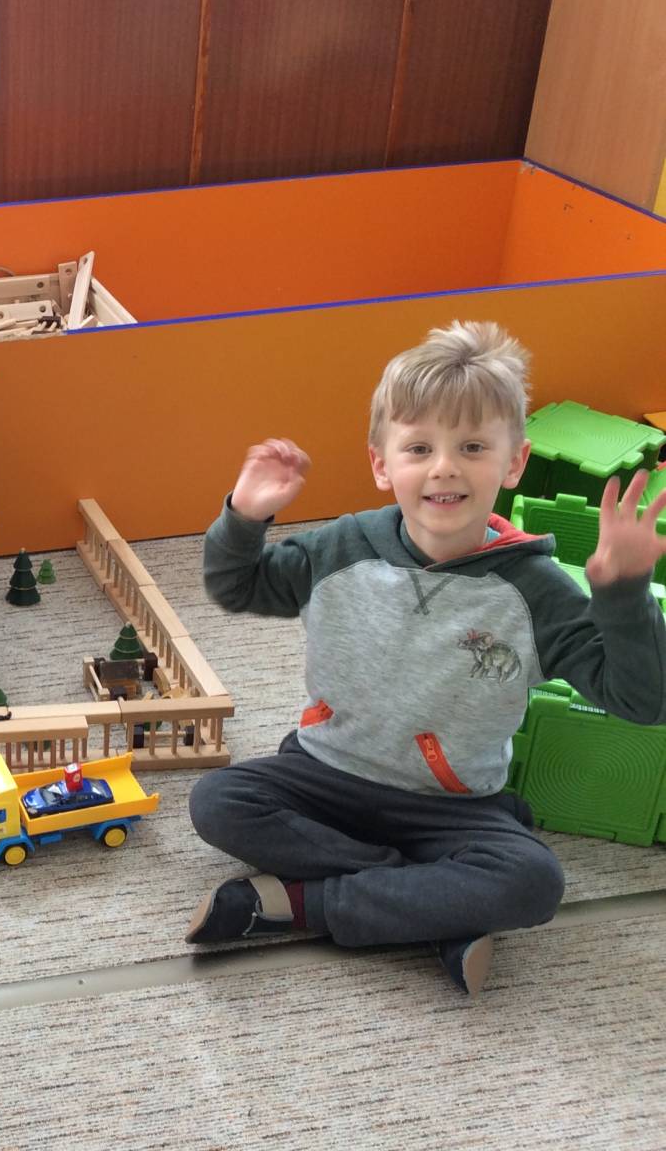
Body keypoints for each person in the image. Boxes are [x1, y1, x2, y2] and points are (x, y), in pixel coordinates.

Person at [184, 320, 666, 994]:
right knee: (216, 800)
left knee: (532, 881)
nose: (444, 467)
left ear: (513, 463)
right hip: (323, 774)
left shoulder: (537, 592)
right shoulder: (340, 547)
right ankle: (429, 904)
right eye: (419, 448)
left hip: (452, 806)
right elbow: (236, 587)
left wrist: (623, 593)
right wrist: (242, 517)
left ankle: (300, 903)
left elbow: (642, 702)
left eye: (472, 447)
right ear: (382, 465)